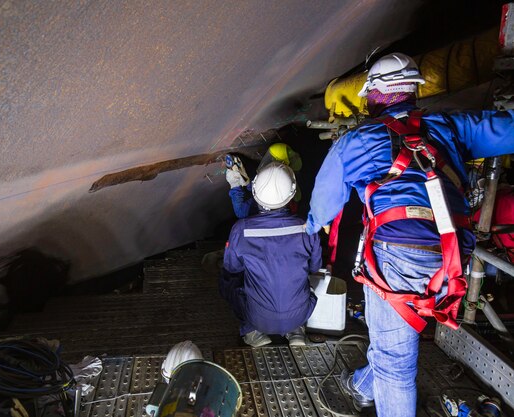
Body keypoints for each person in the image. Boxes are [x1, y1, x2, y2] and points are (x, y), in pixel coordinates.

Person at [305, 52, 514, 415]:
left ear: (373, 95)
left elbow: (322, 205)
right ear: (413, 92)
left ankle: (373, 386)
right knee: (398, 333)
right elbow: (506, 129)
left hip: (398, 251)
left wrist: (310, 229)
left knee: (395, 362)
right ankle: (362, 384)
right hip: (452, 253)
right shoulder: (450, 126)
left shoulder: (358, 140)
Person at [220, 162, 322, 347]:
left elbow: (232, 268)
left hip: (258, 318)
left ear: (256, 193)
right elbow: (315, 267)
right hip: (301, 314)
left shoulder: (241, 229)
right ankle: (296, 330)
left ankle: (251, 331)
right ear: (291, 194)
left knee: (228, 280)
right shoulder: (307, 227)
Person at [226, 143, 302, 218]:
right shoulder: (288, 183)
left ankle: (236, 181)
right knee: (243, 209)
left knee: (241, 212)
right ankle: (244, 181)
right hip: (267, 199)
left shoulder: (291, 198)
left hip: (273, 206)